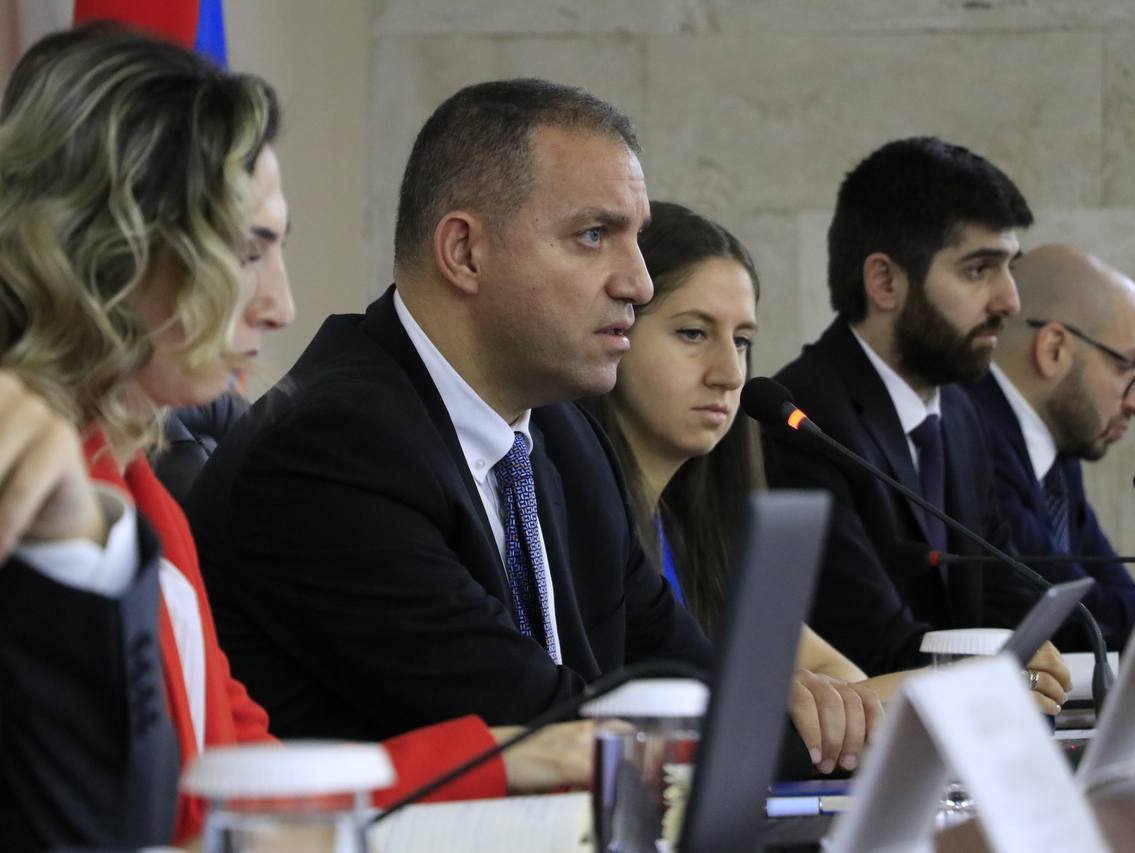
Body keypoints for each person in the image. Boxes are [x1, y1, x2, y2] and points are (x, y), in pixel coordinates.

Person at [0, 28, 592, 847]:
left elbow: (247, 779)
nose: (279, 305)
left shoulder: (141, 492)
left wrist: (504, 755)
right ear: (110, 247)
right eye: (248, 250)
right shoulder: (47, 492)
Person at [189, 79, 873, 777]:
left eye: (635, 240)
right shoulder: (329, 452)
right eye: (593, 236)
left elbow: (682, 674)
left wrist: (786, 711)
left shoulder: (565, 438)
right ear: (465, 252)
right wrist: (812, 729)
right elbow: (541, 727)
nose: (638, 283)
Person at [588, 201, 1069, 742]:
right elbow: (712, 725)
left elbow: (841, 680)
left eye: (741, 341)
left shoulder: (702, 529)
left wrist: (967, 680)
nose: (729, 373)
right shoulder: (582, 526)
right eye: (693, 334)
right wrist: (963, 682)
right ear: (617, 331)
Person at [762, 137, 1054, 681]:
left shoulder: (960, 414)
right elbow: (870, 646)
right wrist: (1009, 670)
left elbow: (1008, 595)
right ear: (885, 282)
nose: (1010, 301)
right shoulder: (804, 421)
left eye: (1009, 267)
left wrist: (1043, 653)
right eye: (979, 270)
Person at [966, 243, 1135, 649]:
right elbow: (1070, 613)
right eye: (1126, 366)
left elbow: (1112, 591)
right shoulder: (972, 438)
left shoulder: (1058, 452)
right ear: (1053, 349)